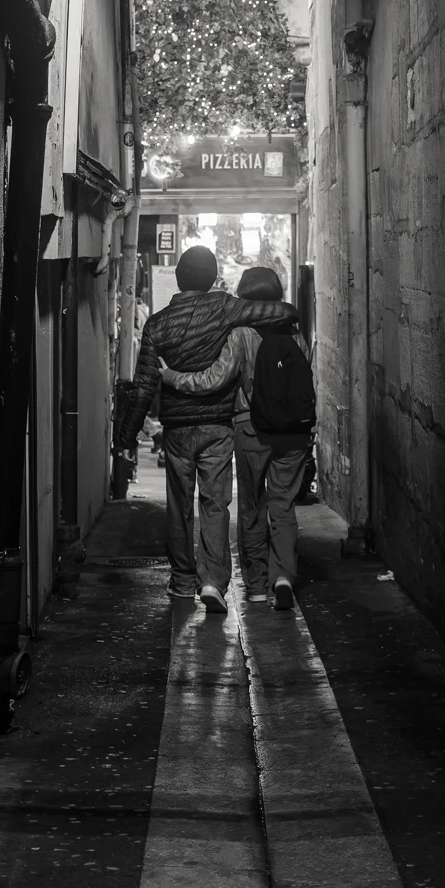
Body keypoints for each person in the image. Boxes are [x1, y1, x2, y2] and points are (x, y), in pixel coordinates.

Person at [117, 243, 296, 610]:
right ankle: (213, 581)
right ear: (214, 278)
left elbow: (144, 387)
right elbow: (283, 311)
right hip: (217, 426)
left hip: (177, 431)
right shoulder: (225, 307)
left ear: (178, 279)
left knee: (179, 505)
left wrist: (127, 438)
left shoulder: (156, 324)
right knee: (215, 504)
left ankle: (183, 580)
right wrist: (276, 314)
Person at [161, 266, 314, 612]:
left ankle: (257, 586)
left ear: (244, 297)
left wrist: (173, 378)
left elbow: (217, 378)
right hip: (294, 432)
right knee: (283, 505)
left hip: (251, 428)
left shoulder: (241, 333)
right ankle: (283, 576)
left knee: (251, 506)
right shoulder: (296, 335)